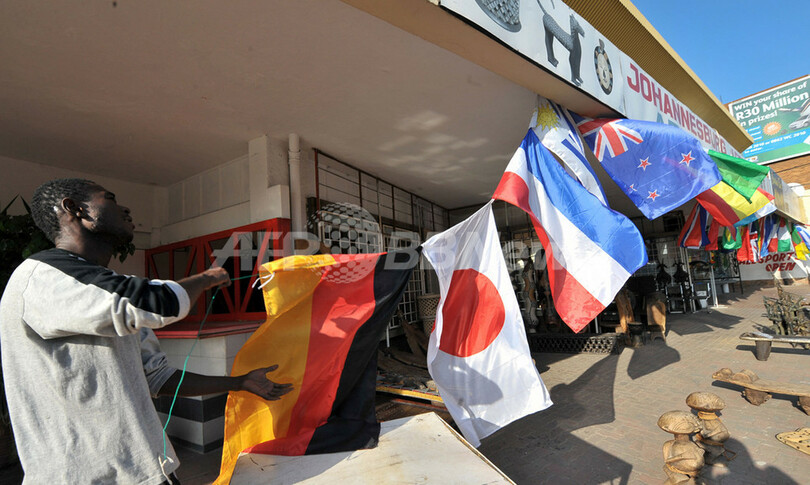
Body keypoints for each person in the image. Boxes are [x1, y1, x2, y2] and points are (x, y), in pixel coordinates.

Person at [0, 178, 293, 484]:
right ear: (74, 209)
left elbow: (157, 376)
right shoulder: (40, 279)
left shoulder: (101, 287)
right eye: (109, 198)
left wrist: (239, 382)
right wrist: (206, 278)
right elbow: (159, 302)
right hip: (87, 477)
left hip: (150, 470)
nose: (125, 208)